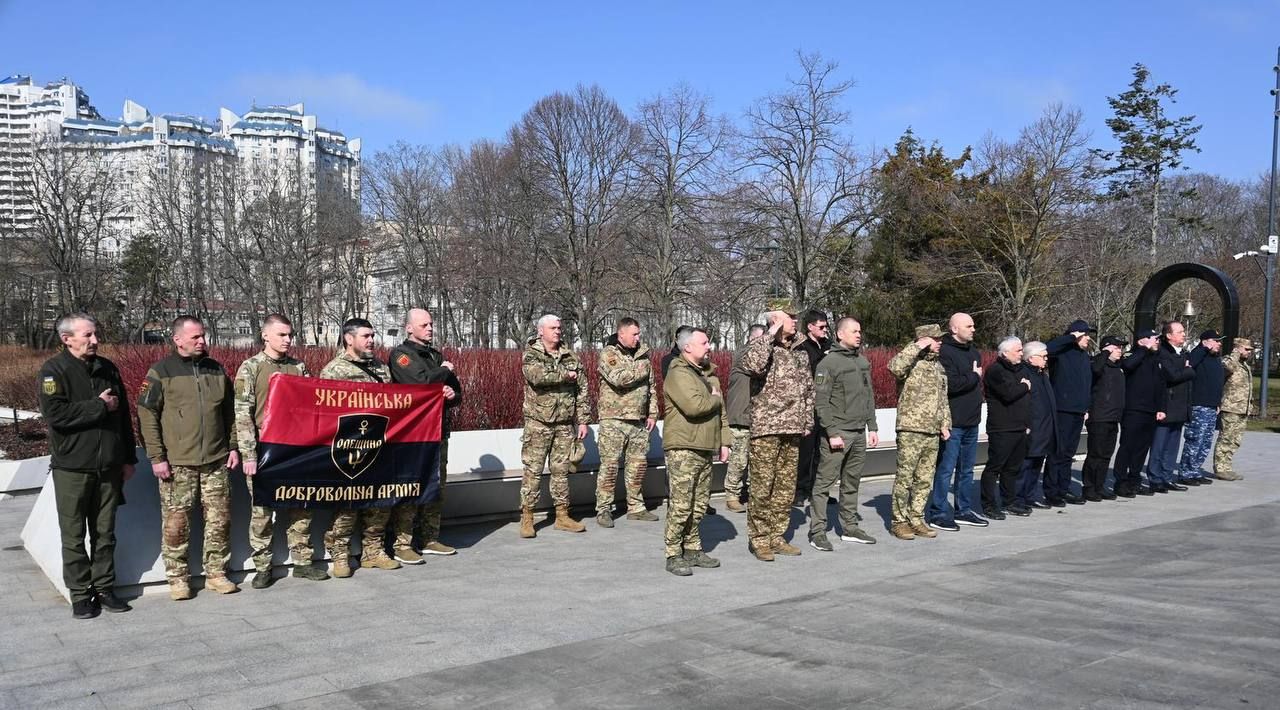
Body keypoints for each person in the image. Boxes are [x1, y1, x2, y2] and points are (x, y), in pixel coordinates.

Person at [38, 313, 137, 619]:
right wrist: (98, 406)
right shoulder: (54, 370)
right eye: (88, 335)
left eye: (95, 334)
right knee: (73, 534)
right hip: (73, 467)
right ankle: (81, 594)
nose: (95, 340)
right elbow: (56, 415)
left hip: (108, 466)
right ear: (67, 339)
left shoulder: (107, 368)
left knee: (105, 533)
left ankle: (105, 588)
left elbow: (123, 417)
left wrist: (128, 458)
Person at [137, 315, 241, 600]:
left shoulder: (216, 370)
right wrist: (157, 456)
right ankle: (177, 578)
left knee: (219, 520)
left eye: (203, 336)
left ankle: (217, 573)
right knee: (176, 523)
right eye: (195, 337)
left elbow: (229, 413)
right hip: (177, 464)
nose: (202, 341)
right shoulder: (160, 372)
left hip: (216, 461)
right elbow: (147, 415)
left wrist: (233, 446)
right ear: (178, 339)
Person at [234, 313, 327, 588]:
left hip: (296, 450)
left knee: (301, 506)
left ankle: (302, 562)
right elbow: (242, 414)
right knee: (262, 511)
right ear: (266, 336)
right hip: (265, 450)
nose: (288, 340)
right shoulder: (250, 368)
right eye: (282, 335)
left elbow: (314, 406)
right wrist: (249, 455)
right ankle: (263, 567)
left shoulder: (299, 367)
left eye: (290, 335)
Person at [320, 318, 402, 576]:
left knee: (380, 502)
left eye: (372, 335)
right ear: (349, 338)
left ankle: (373, 551)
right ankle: (340, 555)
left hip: (378, 446)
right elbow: (323, 412)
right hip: (348, 450)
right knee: (347, 505)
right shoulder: (333, 370)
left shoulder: (381, 368)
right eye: (365, 336)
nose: (371, 340)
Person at [739, 307, 814, 561]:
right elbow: (753, 366)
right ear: (775, 320)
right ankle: (759, 539)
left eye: (795, 317)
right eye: (789, 317)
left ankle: (777, 536)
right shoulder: (762, 346)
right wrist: (771, 333)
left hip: (792, 427)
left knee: (784, 488)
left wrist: (807, 420)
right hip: (767, 428)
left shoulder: (800, 352)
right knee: (762, 487)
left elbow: (808, 389)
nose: (795, 321)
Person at [388, 309, 462, 562]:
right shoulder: (401, 355)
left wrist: (451, 394)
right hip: (413, 435)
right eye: (424, 324)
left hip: (438, 431)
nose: (430, 328)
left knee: (436, 487)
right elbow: (419, 384)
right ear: (409, 328)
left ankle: (430, 537)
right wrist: (443, 371)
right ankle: (402, 543)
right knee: (410, 487)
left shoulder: (435, 355)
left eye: (431, 323)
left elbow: (455, 390)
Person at [661, 328, 731, 576]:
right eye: (704, 342)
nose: (709, 346)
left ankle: (692, 548)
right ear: (687, 347)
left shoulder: (708, 376)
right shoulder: (678, 373)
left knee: (699, 504)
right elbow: (695, 406)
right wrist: (715, 398)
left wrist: (725, 442)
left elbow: (721, 414)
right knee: (681, 505)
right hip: (684, 447)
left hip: (704, 446)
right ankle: (673, 553)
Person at [808, 317, 879, 550]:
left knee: (852, 482)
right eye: (854, 331)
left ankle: (849, 527)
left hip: (858, 433)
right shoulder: (829, 363)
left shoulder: (862, 361)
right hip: (838, 434)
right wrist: (831, 432)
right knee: (823, 484)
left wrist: (873, 427)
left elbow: (869, 397)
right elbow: (821, 402)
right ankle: (817, 532)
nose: (859, 335)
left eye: (860, 331)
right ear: (840, 334)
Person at [518, 314, 590, 538]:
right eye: (552, 328)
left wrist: (583, 419)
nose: (558, 331)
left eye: (559, 328)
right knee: (533, 471)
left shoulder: (570, 356)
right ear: (541, 331)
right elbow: (537, 376)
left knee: (561, 472)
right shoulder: (531, 354)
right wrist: (565, 375)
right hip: (538, 423)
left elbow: (582, 389)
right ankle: (527, 517)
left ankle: (562, 515)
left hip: (564, 424)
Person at [887, 324, 951, 541]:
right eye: (936, 339)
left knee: (924, 479)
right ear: (924, 340)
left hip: (931, 431)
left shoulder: (938, 367)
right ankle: (899, 521)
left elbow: (943, 400)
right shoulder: (910, 361)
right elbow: (894, 367)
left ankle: (916, 518)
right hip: (910, 429)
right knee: (905, 477)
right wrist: (917, 346)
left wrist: (945, 424)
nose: (940, 342)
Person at [595, 317, 659, 527]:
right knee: (610, 467)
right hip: (614, 419)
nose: (638, 338)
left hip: (638, 420)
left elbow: (652, 388)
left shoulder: (643, 355)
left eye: (639, 333)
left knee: (638, 466)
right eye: (634, 334)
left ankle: (636, 507)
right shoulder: (609, 353)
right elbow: (619, 378)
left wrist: (652, 413)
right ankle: (604, 509)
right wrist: (642, 368)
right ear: (621, 334)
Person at [928, 312, 986, 532]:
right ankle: (939, 512)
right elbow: (950, 384)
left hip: (972, 421)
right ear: (954, 329)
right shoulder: (945, 353)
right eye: (968, 326)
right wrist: (974, 377)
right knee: (945, 469)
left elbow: (972, 383)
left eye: (973, 325)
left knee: (967, 470)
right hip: (952, 422)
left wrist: (973, 379)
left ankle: (963, 510)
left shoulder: (974, 353)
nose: (973, 329)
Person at [1045, 320, 1095, 505]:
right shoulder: (1061, 352)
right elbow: (1047, 349)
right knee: (1058, 452)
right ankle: (1052, 492)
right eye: (1085, 335)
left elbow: (1086, 383)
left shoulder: (1083, 356)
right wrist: (1069, 338)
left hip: (1078, 410)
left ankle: (1063, 489)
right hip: (1062, 409)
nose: (1088, 339)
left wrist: (1087, 407)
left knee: (1068, 454)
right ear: (1075, 335)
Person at [981, 336, 1031, 519]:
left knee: (1013, 468)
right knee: (995, 467)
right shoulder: (995, 370)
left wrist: (1027, 423)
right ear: (1005, 353)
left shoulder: (1022, 369)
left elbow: (1026, 397)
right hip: (1002, 427)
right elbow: (1008, 394)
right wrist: (1024, 386)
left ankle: (1009, 501)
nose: (1021, 353)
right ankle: (988, 504)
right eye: (1018, 350)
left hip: (1020, 426)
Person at [1113, 329, 1163, 497]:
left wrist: (1161, 407)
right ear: (1142, 340)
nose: (1157, 342)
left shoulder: (1155, 358)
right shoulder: (1132, 355)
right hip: (1133, 410)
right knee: (1127, 446)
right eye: (1154, 339)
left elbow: (1159, 385)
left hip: (1150, 410)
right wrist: (1143, 349)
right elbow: (1127, 366)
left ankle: (1134, 481)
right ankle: (1120, 482)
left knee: (1142, 449)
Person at [1147, 321, 1195, 493]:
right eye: (1180, 331)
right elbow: (1171, 376)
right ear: (1169, 335)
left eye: (1183, 331)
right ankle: (1155, 478)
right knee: (1159, 444)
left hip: (1181, 406)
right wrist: (1188, 371)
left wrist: (1186, 369)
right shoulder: (1163, 353)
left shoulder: (1184, 353)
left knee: (1173, 445)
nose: (1184, 334)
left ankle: (1167, 477)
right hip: (1167, 405)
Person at [723, 324, 766, 513]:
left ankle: (751, 494)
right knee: (739, 461)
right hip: (740, 417)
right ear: (751, 339)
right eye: (762, 340)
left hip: (755, 418)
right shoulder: (744, 355)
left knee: (757, 461)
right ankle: (732, 495)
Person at [1080, 336, 1127, 501]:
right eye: (1117, 347)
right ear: (1107, 348)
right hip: (1099, 417)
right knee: (1095, 454)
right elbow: (1096, 370)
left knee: (1106, 455)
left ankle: (1099, 486)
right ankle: (1089, 487)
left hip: (1113, 417)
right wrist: (1105, 353)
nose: (1120, 350)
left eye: (1121, 348)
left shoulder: (1117, 367)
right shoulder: (1099, 363)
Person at [1176, 330, 1224, 486]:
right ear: (1205, 341)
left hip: (1211, 406)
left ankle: (1195, 470)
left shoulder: (1215, 358)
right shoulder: (1198, 353)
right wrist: (1203, 348)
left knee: (1205, 442)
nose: (1219, 343)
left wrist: (1218, 403)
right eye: (1216, 341)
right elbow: (1191, 363)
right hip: (1199, 406)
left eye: (1219, 341)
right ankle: (1185, 472)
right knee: (1195, 440)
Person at [1014, 341, 1057, 511]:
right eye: (1043, 356)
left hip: (1045, 427)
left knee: (1037, 463)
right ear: (1031, 358)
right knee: (1025, 465)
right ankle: (1018, 498)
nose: (1046, 359)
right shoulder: (1025, 373)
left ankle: (1029, 496)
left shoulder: (1042, 375)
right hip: (1032, 426)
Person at [795, 309, 830, 503]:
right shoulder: (802, 347)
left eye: (826, 326)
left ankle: (817, 491)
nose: (825, 330)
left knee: (822, 452)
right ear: (810, 327)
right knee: (805, 452)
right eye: (821, 327)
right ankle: (800, 491)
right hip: (807, 405)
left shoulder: (828, 345)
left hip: (825, 404)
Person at [1213, 338, 1253, 482]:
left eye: (1250, 350)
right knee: (1226, 438)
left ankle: (1227, 467)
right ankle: (1221, 469)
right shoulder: (1229, 361)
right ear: (1238, 348)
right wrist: (1236, 353)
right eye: (1246, 349)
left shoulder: (1245, 365)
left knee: (1235, 440)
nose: (1249, 352)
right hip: (1231, 407)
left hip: (1242, 408)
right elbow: (1227, 368)